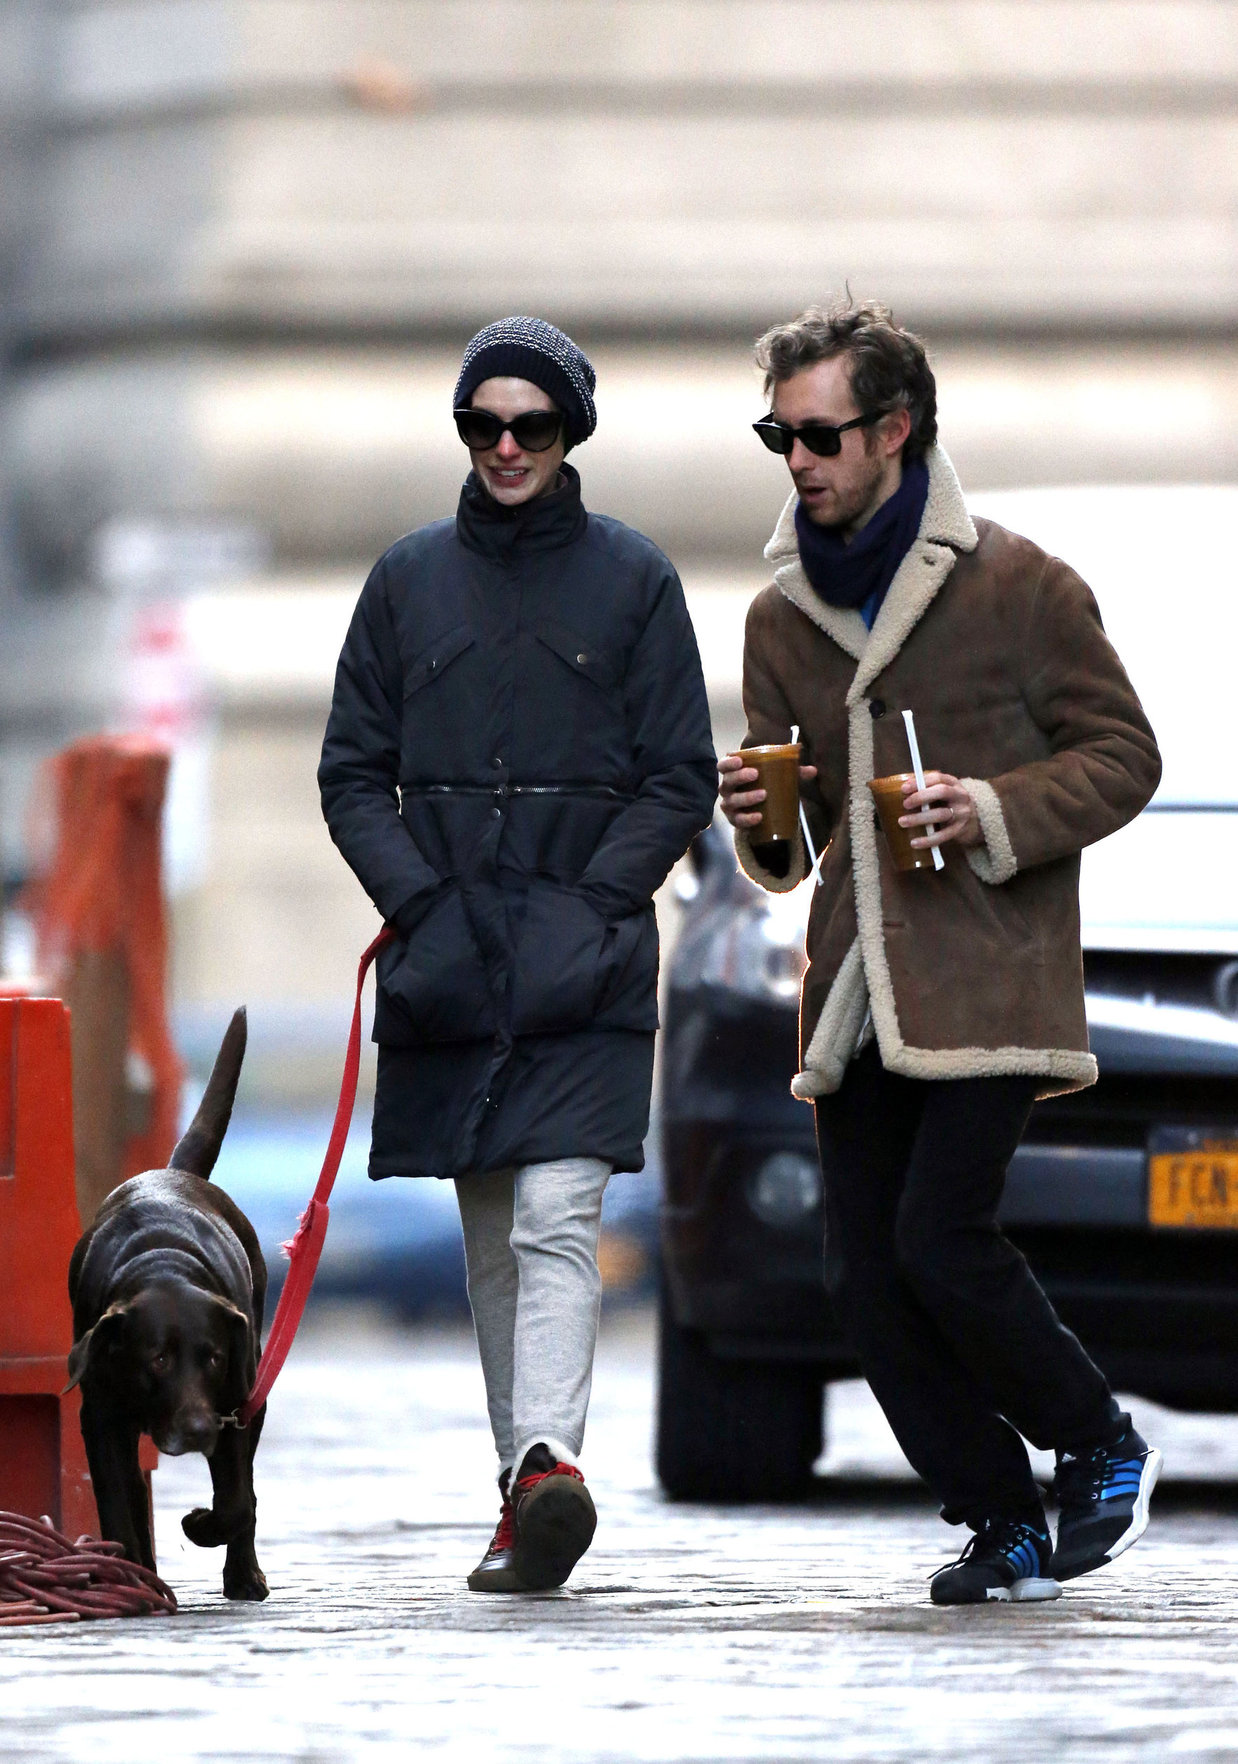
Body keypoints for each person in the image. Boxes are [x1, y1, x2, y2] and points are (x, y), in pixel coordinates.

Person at [718, 300, 1163, 1606]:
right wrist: (760, 823)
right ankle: (998, 1520)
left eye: (816, 434)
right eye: (775, 436)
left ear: (894, 430)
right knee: (858, 1279)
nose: (794, 460)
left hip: (986, 974)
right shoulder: (778, 619)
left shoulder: (1021, 588)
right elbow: (788, 856)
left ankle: (1095, 1442)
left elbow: (1123, 757)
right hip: (856, 990)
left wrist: (993, 810)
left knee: (938, 1237)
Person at [319, 317, 715, 1593]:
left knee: (554, 1218)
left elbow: (680, 776)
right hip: (449, 958)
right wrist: (421, 904)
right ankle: (525, 1494)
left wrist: (598, 901)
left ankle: (547, 1461)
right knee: (493, 1232)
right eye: (481, 423)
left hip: (584, 965)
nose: (503, 445)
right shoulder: (403, 580)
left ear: (568, 434)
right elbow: (348, 773)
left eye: (529, 425)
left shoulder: (636, 581)